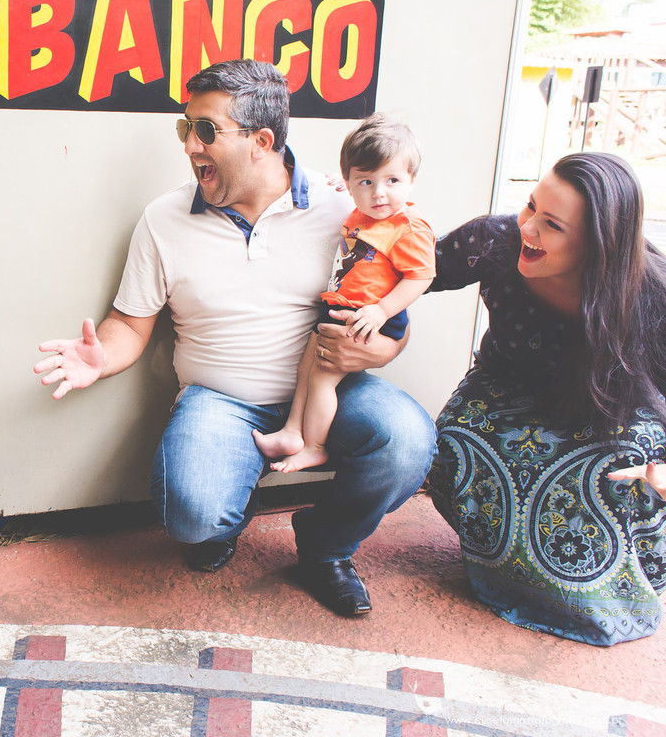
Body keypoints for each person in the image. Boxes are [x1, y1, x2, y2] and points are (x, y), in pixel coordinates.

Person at [34, 60, 435, 617]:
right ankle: (226, 511)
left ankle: (326, 547)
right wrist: (98, 359)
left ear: (261, 141)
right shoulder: (164, 219)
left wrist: (387, 347)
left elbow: (393, 308)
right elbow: (130, 324)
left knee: (408, 441)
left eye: (205, 130)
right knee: (193, 518)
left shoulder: (345, 207)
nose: (189, 145)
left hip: (327, 389)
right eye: (185, 128)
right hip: (219, 401)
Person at [426, 152, 666, 645]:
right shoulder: (492, 240)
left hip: (605, 404)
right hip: (504, 387)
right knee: (455, 441)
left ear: (600, 244)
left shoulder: (651, 290)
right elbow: (411, 270)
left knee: (630, 470)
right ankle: (507, 564)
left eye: (551, 225)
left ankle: (608, 591)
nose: (527, 228)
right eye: (530, 206)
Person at [254, 114, 436, 473]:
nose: (379, 192)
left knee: (323, 376)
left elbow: (421, 277)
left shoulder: (407, 226)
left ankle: (315, 446)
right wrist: (347, 182)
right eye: (366, 181)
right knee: (308, 363)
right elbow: (352, 183)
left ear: (411, 181)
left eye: (393, 180)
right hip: (344, 306)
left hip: (369, 315)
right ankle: (292, 430)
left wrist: (381, 312)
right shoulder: (362, 209)